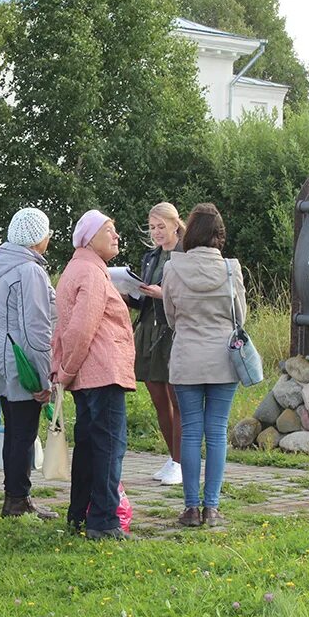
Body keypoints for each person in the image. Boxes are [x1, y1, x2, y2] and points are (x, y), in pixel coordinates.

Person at [52, 209, 136, 540]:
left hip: (88, 374)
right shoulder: (91, 273)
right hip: (101, 373)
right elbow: (79, 329)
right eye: (109, 230)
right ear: (89, 238)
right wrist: (67, 369)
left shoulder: (78, 268)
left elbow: (64, 330)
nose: (116, 236)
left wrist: (65, 369)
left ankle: (79, 515)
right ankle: (103, 521)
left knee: (89, 447)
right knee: (109, 447)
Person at [162, 203, 246, 528]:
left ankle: (190, 508)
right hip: (223, 359)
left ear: (190, 232)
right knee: (216, 431)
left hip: (186, 358)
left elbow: (170, 315)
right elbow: (240, 316)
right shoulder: (230, 269)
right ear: (219, 235)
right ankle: (212, 508)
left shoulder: (172, 268)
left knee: (191, 430)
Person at [0, 208, 58, 520]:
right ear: (36, 238)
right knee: (24, 433)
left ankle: (12, 496)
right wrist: (44, 379)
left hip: (1, 355)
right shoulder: (30, 271)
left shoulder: (0, 266)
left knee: (15, 431)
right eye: (47, 233)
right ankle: (18, 499)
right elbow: (36, 328)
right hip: (22, 361)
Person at [128, 202, 185, 486]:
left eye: (161, 226)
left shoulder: (186, 255)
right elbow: (142, 300)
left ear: (176, 224)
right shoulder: (150, 257)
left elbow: (187, 296)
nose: (156, 233)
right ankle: (173, 457)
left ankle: (181, 462)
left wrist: (163, 294)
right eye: (152, 228)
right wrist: (124, 291)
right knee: (158, 400)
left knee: (177, 400)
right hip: (148, 330)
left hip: (173, 331)